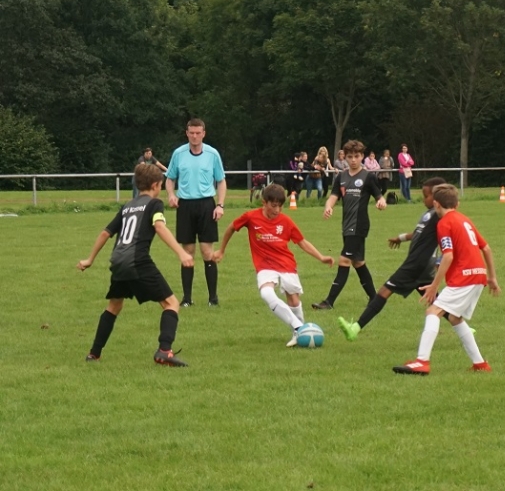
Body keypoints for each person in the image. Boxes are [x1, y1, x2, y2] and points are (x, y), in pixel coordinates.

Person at [77, 164, 195, 367]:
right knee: (171, 303)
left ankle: (94, 354)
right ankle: (164, 351)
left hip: (117, 261)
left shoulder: (127, 206)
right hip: (138, 261)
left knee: (114, 306)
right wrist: (181, 252)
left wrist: (90, 259)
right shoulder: (154, 204)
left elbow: (106, 233)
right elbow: (159, 227)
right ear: (156, 185)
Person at [393, 184, 499, 375]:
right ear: (456, 204)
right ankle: (480, 364)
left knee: (433, 312)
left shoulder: (444, 223)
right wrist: (492, 277)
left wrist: (434, 286)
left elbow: (448, 256)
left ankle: (422, 361)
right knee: (455, 318)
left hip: (465, 277)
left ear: (436, 204)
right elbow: (486, 248)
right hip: (478, 276)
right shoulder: (465, 220)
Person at [213, 184, 335, 347]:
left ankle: (298, 333)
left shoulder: (286, 221)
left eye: (280, 206)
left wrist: (321, 257)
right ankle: (300, 328)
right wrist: (221, 250)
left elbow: (302, 242)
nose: (277, 210)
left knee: (293, 299)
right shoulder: (251, 217)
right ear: (264, 202)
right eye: (274, 205)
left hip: (286, 264)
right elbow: (231, 228)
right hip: (264, 266)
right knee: (266, 293)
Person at [336, 177, 447, 341]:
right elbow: (418, 234)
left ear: (437, 198)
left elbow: (446, 240)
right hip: (421, 265)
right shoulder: (430, 214)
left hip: (415, 264)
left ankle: (355, 328)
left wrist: (439, 260)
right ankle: (463, 327)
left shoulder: (438, 216)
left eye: (426, 196)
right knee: (435, 299)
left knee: (384, 291)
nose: (424, 199)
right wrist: (400, 238)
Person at [312, 139, 387, 311]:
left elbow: (380, 196)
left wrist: (381, 203)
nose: (353, 160)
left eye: (356, 156)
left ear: (362, 156)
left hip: (359, 225)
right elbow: (333, 196)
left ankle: (329, 301)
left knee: (344, 259)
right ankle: (375, 299)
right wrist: (328, 207)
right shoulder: (341, 177)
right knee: (358, 262)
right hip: (346, 225)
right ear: (345, 157)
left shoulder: (368, 176)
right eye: (350, 157)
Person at [165, 118, 226, 307]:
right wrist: (171, 195)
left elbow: (221, 180)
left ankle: (213, 298)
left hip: (206, 205)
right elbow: (170, 178)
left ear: (203, 134)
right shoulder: (179, 154)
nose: (194, 136)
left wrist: (220, 205)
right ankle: (187, 299)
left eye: (198, 133)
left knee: (207, 252)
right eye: (191, 133)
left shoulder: (212, 154)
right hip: (185, 206)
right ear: (187, 133)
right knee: (188, 252)